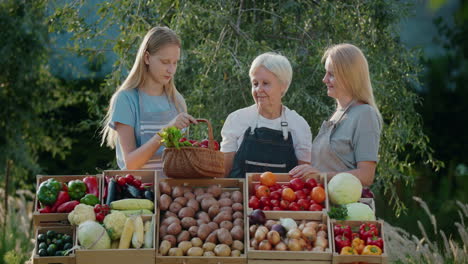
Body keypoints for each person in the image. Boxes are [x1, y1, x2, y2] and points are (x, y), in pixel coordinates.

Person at [101, 26, 197, 170]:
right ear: (147, 58)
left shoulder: (177, 101)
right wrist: (165, 132)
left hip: (175, 190)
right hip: (139, 189)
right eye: (165, 62)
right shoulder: (126, 100)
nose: (171, 70)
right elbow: (131, 163)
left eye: (175, 62)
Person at [289, 43, 382, 186]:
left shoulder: (365, 114)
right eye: (326, 73)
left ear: (349, 76)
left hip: (345, 207)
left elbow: (366, 175)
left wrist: (320, 176)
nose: (324, 79)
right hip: (322, 204)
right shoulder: (338, 114)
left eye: (331, 74)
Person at [221, 52, 312, 178]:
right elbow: (224, 174)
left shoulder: (299, 125)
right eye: (255, 83)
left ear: (283, 86)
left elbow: (303, 178)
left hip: (282, 197)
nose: (259, 89)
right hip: (239, 196)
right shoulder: (236, 120)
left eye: (265, 83)